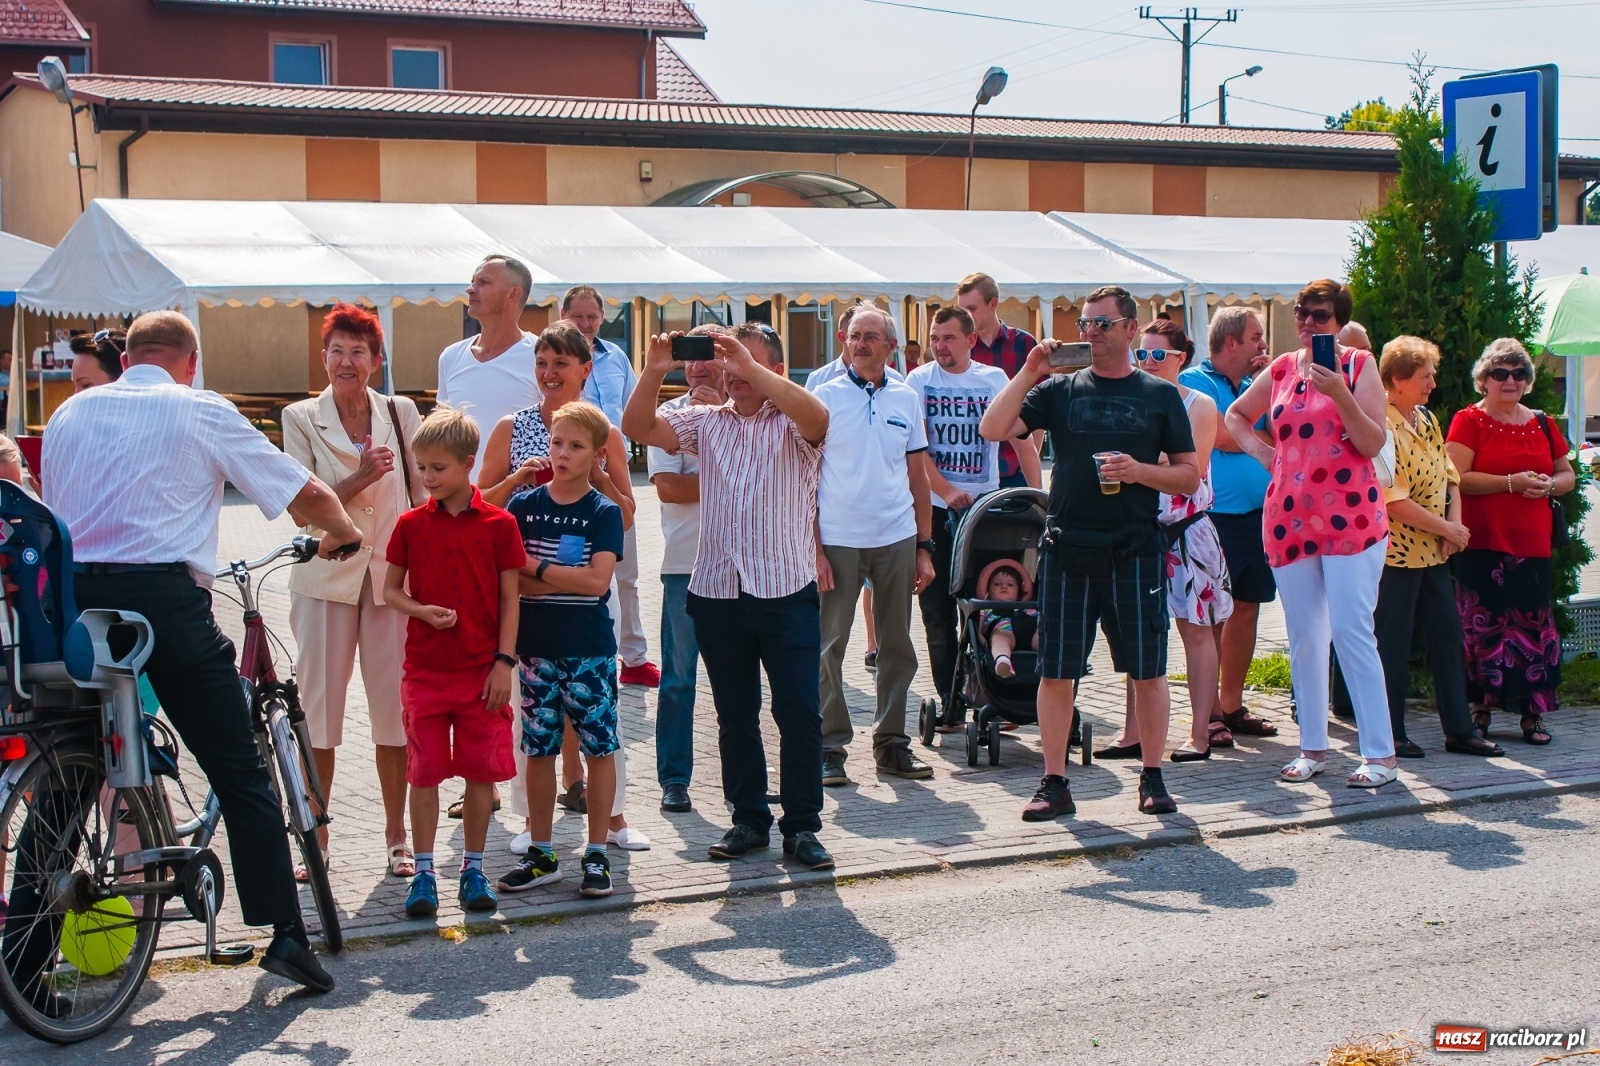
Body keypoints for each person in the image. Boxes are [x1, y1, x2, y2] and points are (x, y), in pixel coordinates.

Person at [39, 309, 361, 993]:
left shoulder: (69, 413)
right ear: (191, 363)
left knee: (65, 776)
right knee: (239, 768)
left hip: (74, 605)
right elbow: (302, 490)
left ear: (129, 358)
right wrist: (341, 530)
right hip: (162, 601)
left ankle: (23, 952)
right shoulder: (200, 408)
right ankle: (285, 933)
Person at [622, 325, 835, 871]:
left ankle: (802, 827)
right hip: (717, 590)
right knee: (735, 716)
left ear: (775, 371)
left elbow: (818, 417)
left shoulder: (793, 421)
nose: (732, 372)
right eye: (727, 361)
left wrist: (749, 365)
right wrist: (654, 368)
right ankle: (748, 820)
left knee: (798, 713)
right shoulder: (706, 421)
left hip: (785, 591)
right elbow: (636, 428)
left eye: (744, 362)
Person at [981, 286, 1199, 819]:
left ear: (1130, 329)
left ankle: (1153, 777)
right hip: (1068, 547)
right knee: (1057, 671)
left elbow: (1189, 476)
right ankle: (1054, 782)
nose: (1091, 333)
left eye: (1103, 324)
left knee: (1147, 669)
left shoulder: (1160, 395)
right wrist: (1028, 371)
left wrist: (1138, 471)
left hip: (1135, 548)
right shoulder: (1060, 389)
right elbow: (993, 428)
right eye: (1085, 323)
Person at [477, 321, 647, 854]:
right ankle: (534, 824)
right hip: (528, 599)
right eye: (542, 363)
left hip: (585, 597)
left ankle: (614, 819)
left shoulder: (603, 430)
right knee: (534, 723)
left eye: (561, 364)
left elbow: (626, 514)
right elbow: (480, 501)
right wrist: (516, 482)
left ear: (585, 370)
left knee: (599, 716)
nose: (549, 373)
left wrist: (596, 473)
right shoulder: (513, 426)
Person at [1224, 280, 1398, 788]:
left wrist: (1339, 392)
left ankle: (1380, 754)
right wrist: (1266, 455)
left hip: (1351, 517)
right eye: (1302, 312)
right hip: (1290, 516)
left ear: (1339, 322)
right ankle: (1313, 748)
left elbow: (1372, 441)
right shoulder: (1281, 368)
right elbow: (1236, 415)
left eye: (1320, 316)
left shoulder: (1359, 366)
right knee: (1304, 635)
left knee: (1350, 629)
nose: (1307, 322)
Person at [281, 304, 425, 881]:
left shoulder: (400, 411)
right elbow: (299, 509)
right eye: (337, 351)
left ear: (376, 360)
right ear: (323, 359)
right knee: (319, 715)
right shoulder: (299, 417)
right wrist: (360, 477)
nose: (347, 361)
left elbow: (424, 492)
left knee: (395, 713)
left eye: (358, 352)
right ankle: (316, 837)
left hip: (392, 581)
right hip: (325, 581)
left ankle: (397, 837)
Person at [383, 407, 524, 919]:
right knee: (423, 773)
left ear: (468, 463)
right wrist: (421, 610)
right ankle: (423, 874)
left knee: (480, 772)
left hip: (482, 671)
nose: (427, 477)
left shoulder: (500, 524)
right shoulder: (409, 525)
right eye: (421, 467)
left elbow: (511, 600)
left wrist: (504, 663)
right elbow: (390, 590)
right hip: (424, 671)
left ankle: (473, 869)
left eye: (437, 468)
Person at [497, 401, 627, 899]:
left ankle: (596, 853)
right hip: (535, 649)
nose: (563, 454)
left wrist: (538, 569)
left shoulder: (603, 511)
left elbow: (597, 583)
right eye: (557, 443)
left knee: (599, 748)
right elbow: (511, 583)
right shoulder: (523, 508)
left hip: (588, 649)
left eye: (575, 446)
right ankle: (542, 854)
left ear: (597, 454)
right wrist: (556, 577)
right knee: (538, 750)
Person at [815, 303, 937, 785]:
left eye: (871, 336)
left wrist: (924, 547)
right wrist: (814, 548)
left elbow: (918, 478)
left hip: (896, 536)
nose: (860, 343)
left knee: (897, 646)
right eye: (854, 335)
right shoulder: (824, 396)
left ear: (891, 346)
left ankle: (891, 744)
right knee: (829, 646)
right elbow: (806, 477)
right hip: (838, 538)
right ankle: (829, 747)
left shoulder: (906, 398)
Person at [1374, 337, 1502, 758]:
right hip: (1395, 554)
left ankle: (1460, 730)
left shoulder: (1426, 418)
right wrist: (1446, 528)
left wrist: (1454, 527)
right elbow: (1392, 498)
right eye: (1424, 376)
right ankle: (1389, 733)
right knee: (1391, 644)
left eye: (1432, 374)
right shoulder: (1381, 424)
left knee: (1448, 637)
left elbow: (1450, 476)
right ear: (1398, 379)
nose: (1433, 383)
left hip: (1433, 551)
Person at [905, 304, 1037, 708]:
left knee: (994, 604)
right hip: (936, 512)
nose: (939, 346)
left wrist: (1039, 500)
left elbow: (1023, 443)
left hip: (986, 514)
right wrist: (946, 491)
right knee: (938, 612)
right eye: (934, 338)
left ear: (970, 340)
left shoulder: (993, 379)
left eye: (948, 338)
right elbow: (915, 450)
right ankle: (950, 699)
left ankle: (994, 692)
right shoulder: (919, 380)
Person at [1446, 338, 1575, 747]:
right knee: (1481, 627)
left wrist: (1549, 484)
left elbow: (1567, 474)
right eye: (1500, 373)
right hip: (1482, 543)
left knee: (1532, 627)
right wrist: (1509, 483)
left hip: (1531, 545)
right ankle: (1479, 710)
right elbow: (1456, 477)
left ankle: (1531, 714)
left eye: (1519, 373)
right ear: (1484, 380)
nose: (1510, 380)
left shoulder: (1541, 422)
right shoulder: (1468, 420)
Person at [1125, 320, 1233, 763]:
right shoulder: (1129, 397)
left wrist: (1137, 463)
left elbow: (1190, 468)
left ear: (1180, 358)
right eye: (1141, 354)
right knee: (1135, 633)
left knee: (1197, 631)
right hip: (1139, 529)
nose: (1148, 362)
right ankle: (1132, 732)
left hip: (1187, 530)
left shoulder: (1198, 404)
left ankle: (1200, 733)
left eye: (1158, 355)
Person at [1178, 307, 1280, 748]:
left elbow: (1283, 435)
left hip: (1261, 516)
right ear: (1231, 342)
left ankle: (1233, 704)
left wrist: (1262, 396)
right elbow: (1220, 434)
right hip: (1216, 517)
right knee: (1214, 613)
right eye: (1256, 337)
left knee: (1247, 607)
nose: (1263, 344)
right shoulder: (1197, 381)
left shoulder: (1262, 385)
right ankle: (1211, 713)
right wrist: (1250, 433)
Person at [647, 325, 728, 813]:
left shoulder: (751, 414)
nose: (697, 366)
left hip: (742, 564)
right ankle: (674, 778)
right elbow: (669, 489)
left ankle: (745, 776)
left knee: (741, 681)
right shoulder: (668, 418)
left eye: (708, 356)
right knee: (678, 679)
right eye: (689, 357)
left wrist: (721, 425)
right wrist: (732, 474)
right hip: (685, 564)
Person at [561, 284, 657, 689]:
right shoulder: (556, 357)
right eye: (578, 316)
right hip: (570, 469)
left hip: (612, 467)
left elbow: (634, 406)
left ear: (602, 318)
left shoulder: (616, 356)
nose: (585, 324)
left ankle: (633, 657)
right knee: (576, 564)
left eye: (592, 317)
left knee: (626, 568)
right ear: (563, 315)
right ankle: (584, 651)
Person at [436, 255, 541, 475]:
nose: (470, 289)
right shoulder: (451, 357)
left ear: (513, 294)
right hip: (463, 495)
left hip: (520, 495)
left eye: (483, 282)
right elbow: (441, 436)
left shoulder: (541, 357)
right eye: (473, 282)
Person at [956, 272, 1043, 489]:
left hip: (1014, 468)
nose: (965, 316)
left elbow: (1040, 407)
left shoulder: (1024, 344)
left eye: (971, 309)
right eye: (961, 310)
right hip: (970, 472)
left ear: (993, 303)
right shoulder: (958, 348)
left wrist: (1029, 458)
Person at [975, 561, 1038, 678]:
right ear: (987, 589)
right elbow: (979, 623)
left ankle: (1050, 656)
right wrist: (978, 634)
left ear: (1020, 590)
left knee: (1041, 634)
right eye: (997, 584)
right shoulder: (986, 607)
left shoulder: (1028, 605)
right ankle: (1003, 661)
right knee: (999, 639)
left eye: (1010, 585)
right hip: (1004, 630)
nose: (1004, 587)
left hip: (1030, 629)